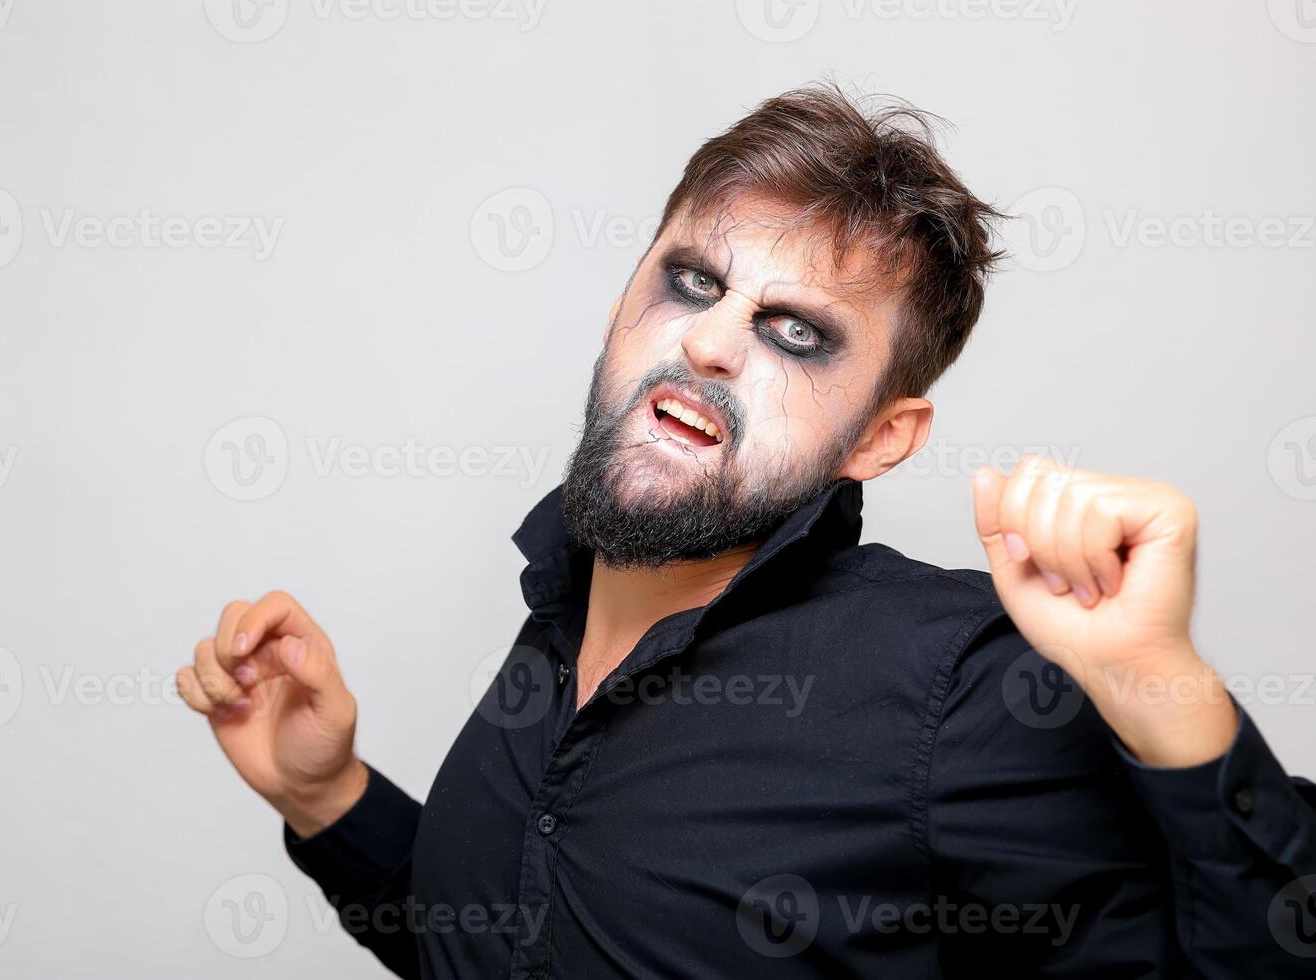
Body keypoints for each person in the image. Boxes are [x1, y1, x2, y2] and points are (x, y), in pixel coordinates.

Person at [176, 83, 1316, 977]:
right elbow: (505, 943)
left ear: (882, 434)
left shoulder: (963, 691)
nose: (712, 342)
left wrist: (1165, 691)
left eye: (796, 332)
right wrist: (327, 798)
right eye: (691, 279)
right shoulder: (557, 612)